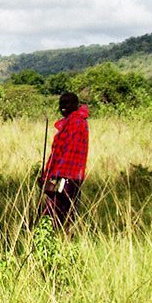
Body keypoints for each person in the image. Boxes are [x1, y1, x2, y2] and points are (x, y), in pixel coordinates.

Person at [40, 92, 89, 229]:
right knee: (68, 214)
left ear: (75, 104)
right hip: (74, 176)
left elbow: (64, 153)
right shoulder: (79, 121)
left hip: (64, 177)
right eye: (61, 103)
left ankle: (52, 243)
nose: (63, 106)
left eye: (67, 103)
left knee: (52, 216)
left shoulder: (74, 122)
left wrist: (50, 177)